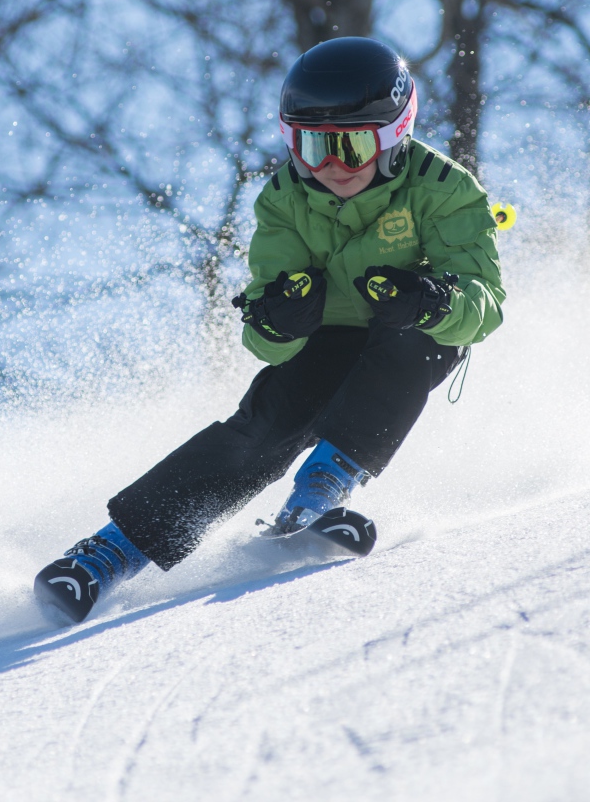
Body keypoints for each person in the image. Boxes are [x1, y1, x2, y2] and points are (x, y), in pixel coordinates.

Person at [34, 36, 505, 623]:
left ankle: (317, 496)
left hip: (406, 332)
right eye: (311, 146)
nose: (330, 166)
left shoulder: (445, 188)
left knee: (424, 342)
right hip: (326, 339)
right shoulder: (284, 198)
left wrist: (433, 301)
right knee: (265, 426)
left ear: (393, 137)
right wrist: (278, 320)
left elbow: (485, 306)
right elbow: (261, 337)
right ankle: (107, 555)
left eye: (352, 146)